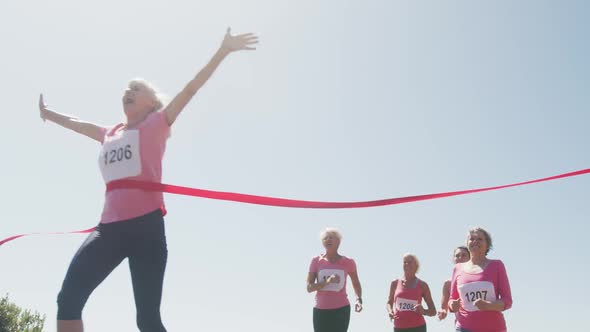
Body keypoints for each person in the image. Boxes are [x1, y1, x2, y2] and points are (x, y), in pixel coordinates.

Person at [39, 28, 258, 332]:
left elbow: (191, 89)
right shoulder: (110, 132)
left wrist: (222, 51)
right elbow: (79, 125)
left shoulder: (157, 123)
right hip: (109, 229)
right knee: (68, 298)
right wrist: (49, 114)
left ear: (151, 102)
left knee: (148, 320)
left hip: (147, 229)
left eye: (136, 88)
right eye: (126, 88)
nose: (128, 90)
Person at [448, 227, 513, 332]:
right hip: (464, 328)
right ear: (467, 244)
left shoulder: (497, 265)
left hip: (493, 328)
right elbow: (452, 299)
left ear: (487, 245)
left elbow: (507, 301)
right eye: (472, 239)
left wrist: (488, 306)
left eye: (480, 239)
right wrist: (452, 305)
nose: (475, 241)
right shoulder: (457, 268)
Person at [307, 228, 363, 332]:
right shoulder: (316, 261)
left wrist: (358, 299)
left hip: (341, 310)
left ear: (338, 241)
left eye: (331, 238)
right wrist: (327, 282)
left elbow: (356, 283)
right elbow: (309, 287)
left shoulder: (348, 262)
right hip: (320, 310)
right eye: (325, 238)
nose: (328, 240)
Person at [386, 253, 436, 332]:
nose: (406, 264)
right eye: (404, 262)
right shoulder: (394, 283)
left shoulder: (423, 285)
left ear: (416, 266)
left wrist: (424, 311)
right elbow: (389, 302)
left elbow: (433, 311)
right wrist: (390, 311)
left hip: (418, 327)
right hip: (399, 327)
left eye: (409, 262)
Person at [438, 246, 470, 320]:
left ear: (470, 258)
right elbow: (444, 308)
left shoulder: (478, 278)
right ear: (453, 259)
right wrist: (442, 312)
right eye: (457, 256)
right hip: (462, 325)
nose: (460, 257)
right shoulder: (448, 284)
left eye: (464, 255)